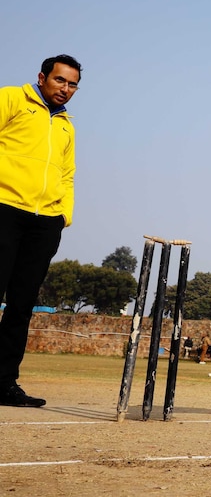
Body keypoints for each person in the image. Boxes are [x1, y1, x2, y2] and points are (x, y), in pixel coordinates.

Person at [0, 55, 82, 408]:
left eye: (72, 84)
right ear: (42, 77)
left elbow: (67, 174)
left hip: (44, 223)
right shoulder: (12, 99)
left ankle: (4, 383)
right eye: (60, 80)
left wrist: (62, 216)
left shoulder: (66, 126)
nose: (65, 89)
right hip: (5, 210)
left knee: (20, 307)